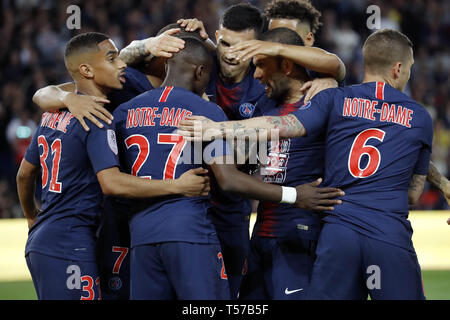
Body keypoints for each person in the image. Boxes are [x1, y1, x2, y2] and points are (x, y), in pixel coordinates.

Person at [178, 28, 440, 299]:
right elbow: (412, 193)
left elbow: (285, 125)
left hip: (338, 231)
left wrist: (219, 129)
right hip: (387, 232)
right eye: (409, 69)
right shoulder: (420, 117)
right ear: (398, 69)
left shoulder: (334, 99)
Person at [113, 36, 344, 300]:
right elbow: (230, 180)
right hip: (190, 231)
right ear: (201, 71)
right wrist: (294, 195)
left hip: (140, 235)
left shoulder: (125, 111)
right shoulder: (204, 111)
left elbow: (113, 179)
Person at [16, 32, 210, 300]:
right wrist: (177, 185)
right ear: (86, 70)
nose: (121, 65)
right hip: (70, 241)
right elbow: (111, 183)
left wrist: (32, 217)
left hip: (43, 239)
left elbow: (24, 174)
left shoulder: (53, 114)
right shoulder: (97, 118)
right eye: (112, 58)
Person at [233, 27, 327, 300]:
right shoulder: (263, 108)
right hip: (261, 235)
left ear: (286, 65)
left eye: (261, 66)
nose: (257, 75)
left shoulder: (325, 102)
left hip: (300, 236)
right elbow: (246, 170)